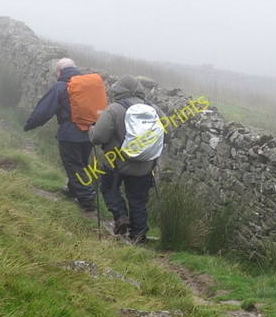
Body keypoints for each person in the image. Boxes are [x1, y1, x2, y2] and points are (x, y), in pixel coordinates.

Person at [88, 75, 168, 244]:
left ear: (118, 90)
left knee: (108, 188)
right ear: (140, 89)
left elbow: (97, 138)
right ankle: (138, 236)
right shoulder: (153, 108)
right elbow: (168, 134)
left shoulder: (114, 109)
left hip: (115, 164)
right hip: (145, 166)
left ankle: (120, 216)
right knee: (138, 200)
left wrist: (91, 130)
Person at [23, 58, 95, 211]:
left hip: (70, 133)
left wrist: (29, 125)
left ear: (59, 71)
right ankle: (73, 189)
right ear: (75, 68)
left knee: (73, 164)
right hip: (89, 132)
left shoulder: (60, 87)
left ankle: (86, 198)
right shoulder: (88, 86)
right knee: (82, 163)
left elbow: (43, 111)